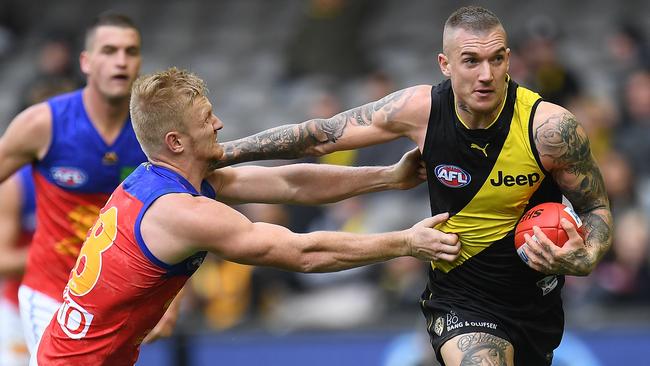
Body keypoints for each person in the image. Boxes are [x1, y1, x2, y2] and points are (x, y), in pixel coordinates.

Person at [214, 6, 613, 365]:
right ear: (445, 64)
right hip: (460, 299)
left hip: (535, 306)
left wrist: (588, 255)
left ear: (508, 59)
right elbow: (321, 134)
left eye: (496, 59)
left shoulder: (550, 129)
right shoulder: (420, 110)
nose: (486, 75)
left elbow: (595, 207)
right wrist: (220, 153)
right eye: (470, 61)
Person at [33, 67, 460, 365]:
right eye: (206, 119)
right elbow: (303, 252)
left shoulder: (165, 179)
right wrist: (405, 242)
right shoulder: (181, 211)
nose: (219, 124)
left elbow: (290, 184)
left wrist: (386, 177)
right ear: (176, 141)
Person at [0, 12, 182, 353]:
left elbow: (186, 218)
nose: (120, 61)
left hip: (119, 305)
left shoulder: (156, 136)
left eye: (130, 52)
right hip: (50, 295)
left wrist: (172, 300)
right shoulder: (43, 124)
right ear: (85, 61)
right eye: (109, 50)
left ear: (140, 61)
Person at [0, 166, 35, 366]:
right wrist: (59, 254)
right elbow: (2, 260)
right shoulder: (16, 184)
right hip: (19, 313)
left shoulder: (118, 166)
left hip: (92, 313)